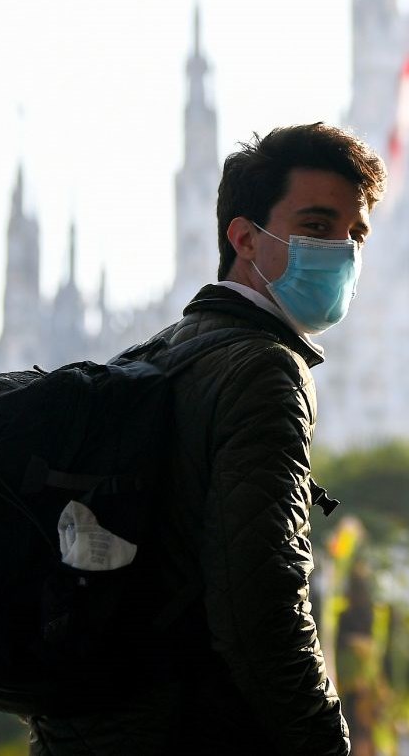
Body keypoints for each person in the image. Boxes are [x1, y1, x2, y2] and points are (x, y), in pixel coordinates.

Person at [28, 122, 385, 755]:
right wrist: (325, 744)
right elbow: (261, 604)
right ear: (244, 238)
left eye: (355, 235)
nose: (342, 252)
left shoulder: (154, 357)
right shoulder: (264, 370)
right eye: (317, 226)